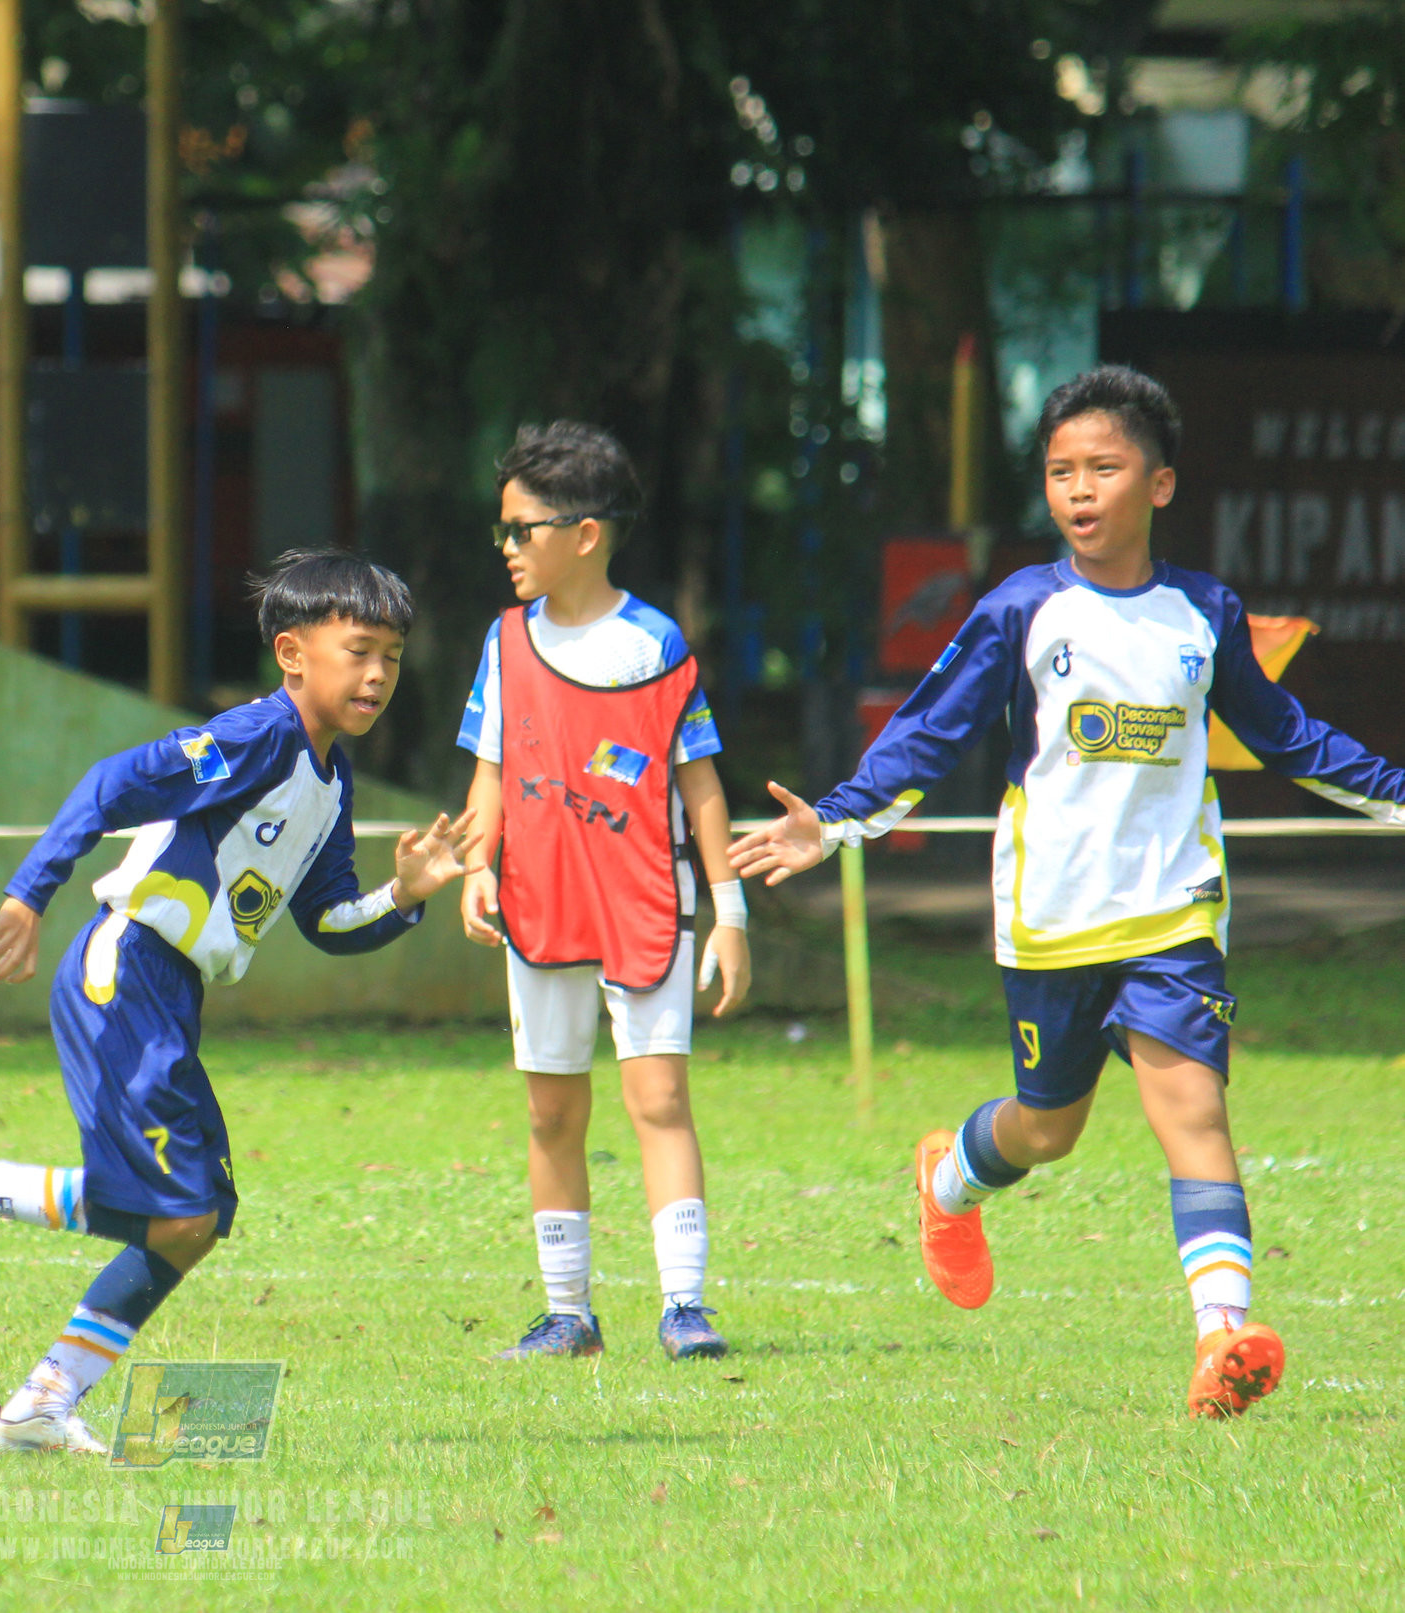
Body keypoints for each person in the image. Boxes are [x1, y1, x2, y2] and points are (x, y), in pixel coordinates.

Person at [732, 365, 1405, 1419]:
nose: (1079, 490)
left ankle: (1221, 1337)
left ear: (1162, 483)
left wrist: (1397, 797)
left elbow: (1284, 738)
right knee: (1048, 1129)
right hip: (1050, 916)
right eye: (1059, 472)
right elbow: (929, 728)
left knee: (1192, 1108)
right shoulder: (1022, 609)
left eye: (1103, 467)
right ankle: (947, 1177)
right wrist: (838, 816)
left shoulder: (1202, 614)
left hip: (1174, 911)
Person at [0, 549, 476, 1456]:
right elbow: (112, 783)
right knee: (177, 1208)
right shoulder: (257, 736)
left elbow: (327, 921)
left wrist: (403, 895)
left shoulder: (330, 781)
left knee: (200, 1219)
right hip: (127, 971)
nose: (378, 673)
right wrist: (29, 890)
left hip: (171, 994)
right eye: (358, 650)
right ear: (292, 652)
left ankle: (41, 1402)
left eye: (391, 654)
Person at [455, 422, 752, 1364]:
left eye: (521, 529)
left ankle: (684, 1307)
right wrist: (473, 865)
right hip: (538, 901)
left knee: (657, 1096)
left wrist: (729, 913)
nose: (506, 549)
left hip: (643, 897)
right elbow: (491, 775)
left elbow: (697, 782)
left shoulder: (654, 643)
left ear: (584, 533)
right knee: (551, 1111)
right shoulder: (503, 644)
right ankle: (567, 1314)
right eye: (501, 530)